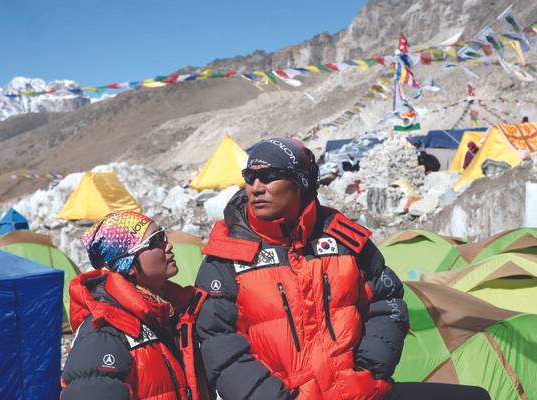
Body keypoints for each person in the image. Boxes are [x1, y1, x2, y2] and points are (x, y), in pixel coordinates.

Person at [195, 138, 490, 400]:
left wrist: (370, 371)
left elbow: (387, 301)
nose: (256, 187)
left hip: (358, 391)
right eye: (250, 177)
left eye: (270, 176)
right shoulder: (226, 255)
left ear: (301, 182)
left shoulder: (343, 239)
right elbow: (218, 345)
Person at [61, 211, 209, 400]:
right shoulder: (103, 331)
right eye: (155, 242)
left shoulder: (167, 312)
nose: (169, 245)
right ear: (127, 264)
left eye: (163, 236)